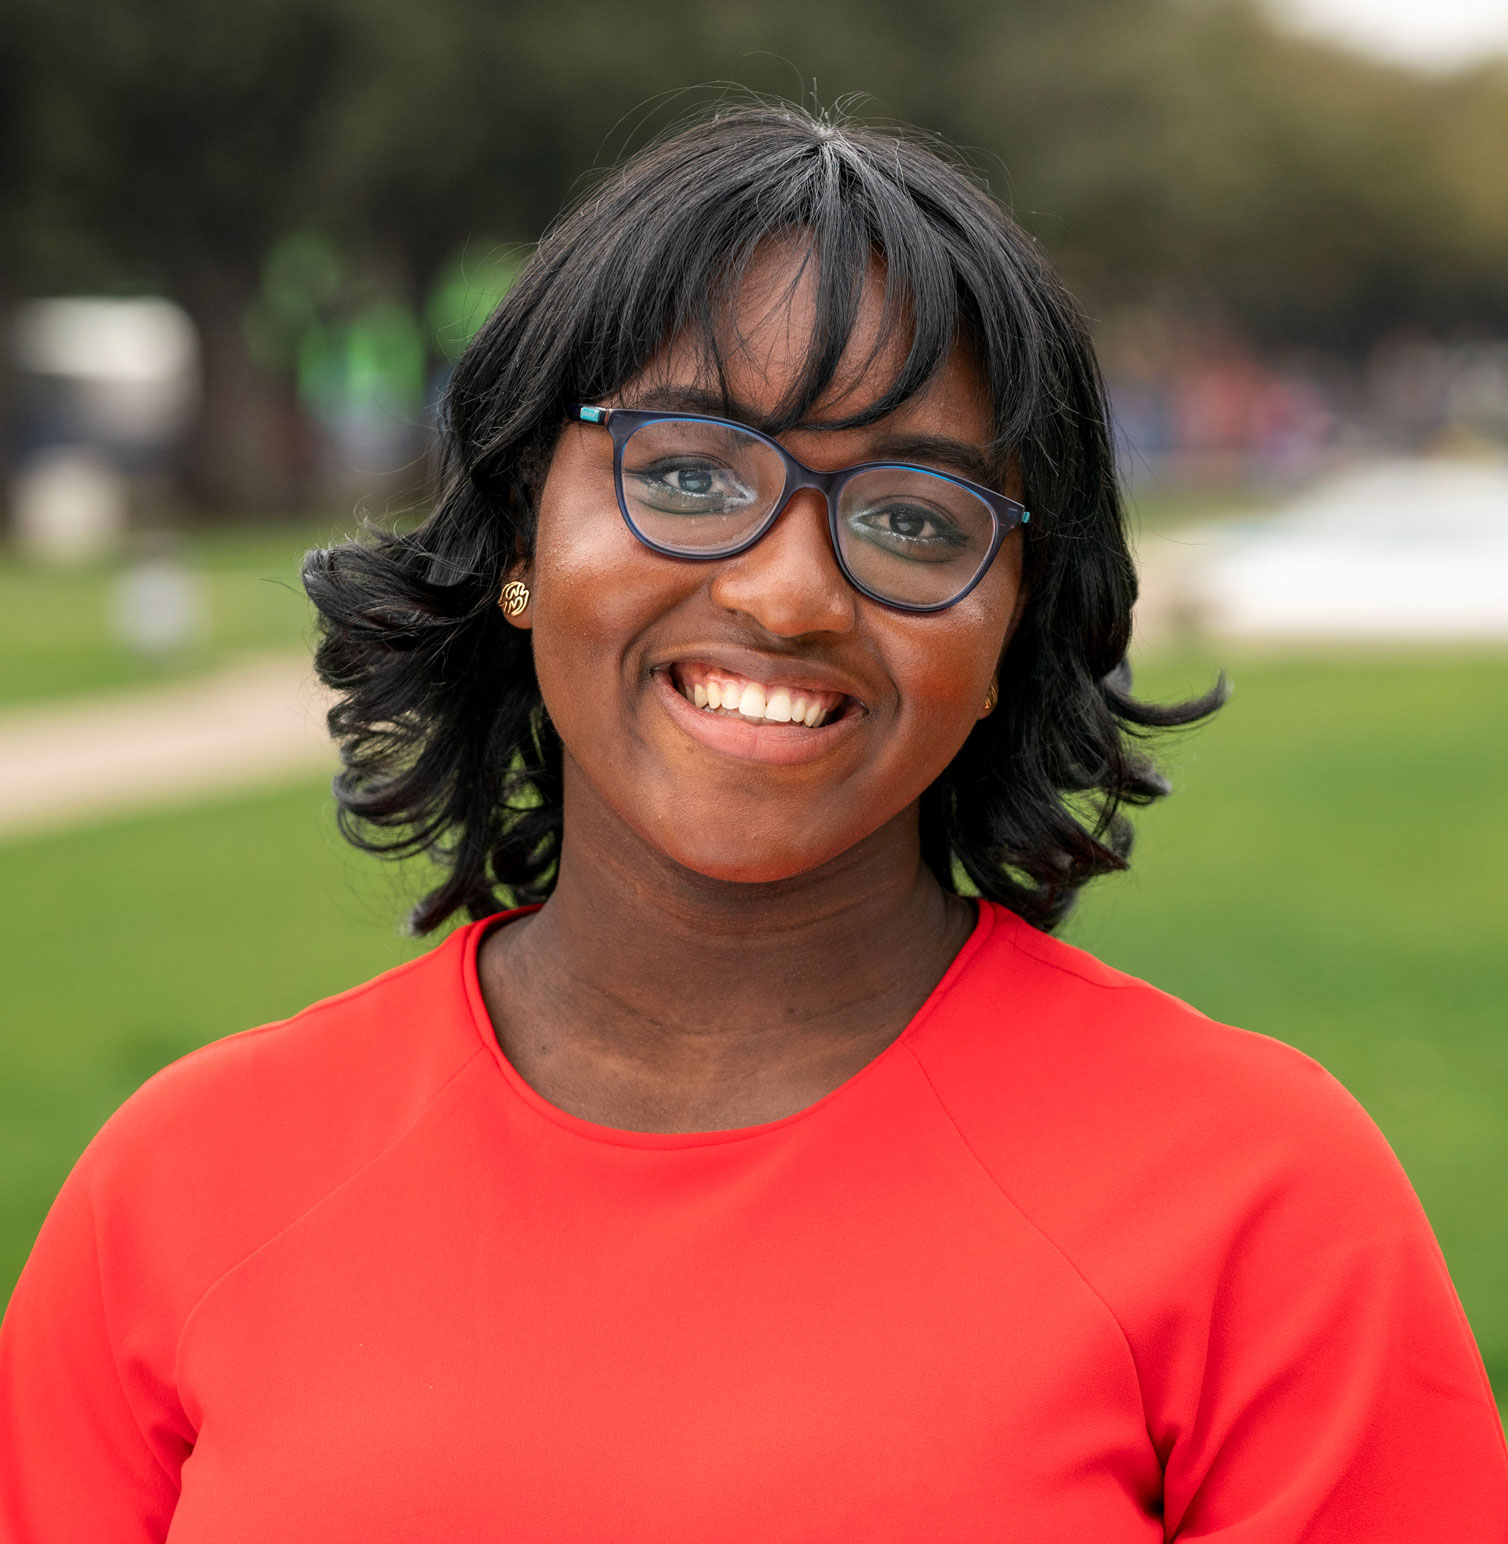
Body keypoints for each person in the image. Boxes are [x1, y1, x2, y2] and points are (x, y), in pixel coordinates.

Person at [2, 103, 1505, 1541]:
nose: (787, 593)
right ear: (526, 523)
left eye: (915, 515)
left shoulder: (1264, 1203)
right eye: (691, 474)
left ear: (1012, 628)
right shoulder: (185, 1190)